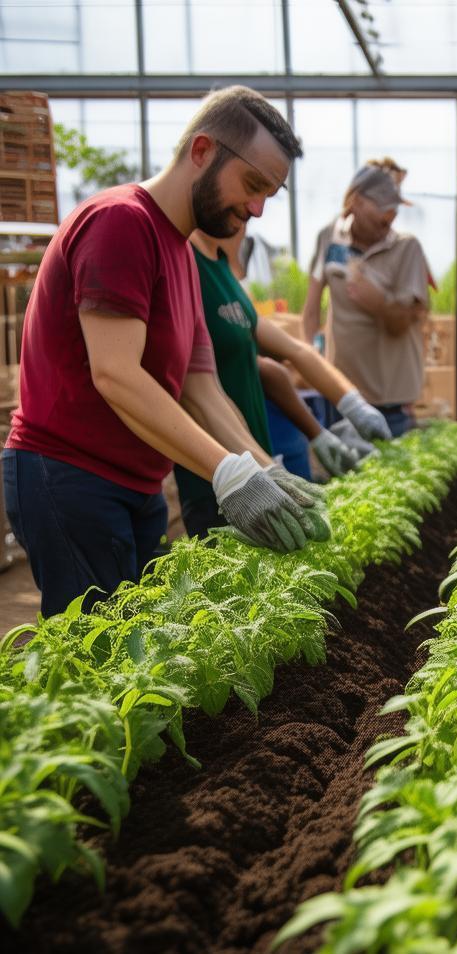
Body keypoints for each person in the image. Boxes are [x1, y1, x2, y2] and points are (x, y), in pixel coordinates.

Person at [3, 86, 328, 617]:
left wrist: (265, 471)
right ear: (202, 150)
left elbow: (203, 387)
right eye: (252, 185)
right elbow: (115, 374)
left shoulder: (180, 249)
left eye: (270, 194)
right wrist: (228, 474)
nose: (257, 209)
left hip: (134, 482)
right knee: (96, 662)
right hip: (70, 475)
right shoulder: (121, 223)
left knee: (134, 659)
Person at [175, 227, 390, 538]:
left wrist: (348, 406)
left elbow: (285, 356)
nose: (252, 219)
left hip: (254, 462)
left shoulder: (225, 276)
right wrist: (259, 467)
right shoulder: (190, 269)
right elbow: (198, 390)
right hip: (217, 480)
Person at [302, 163, 430, 438]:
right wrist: (314, 363)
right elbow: (311, 311)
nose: (390, 217)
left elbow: (402, 324)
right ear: (357, 202)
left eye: (394, 210)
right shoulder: (329, 239)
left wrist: (379, 302)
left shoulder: (407, 248)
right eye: (383, 209)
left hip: (391, 404)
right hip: (342, 397)